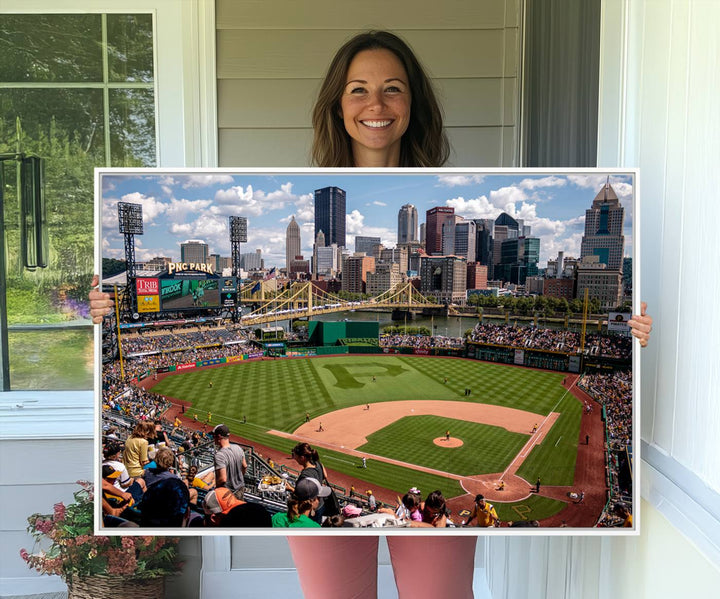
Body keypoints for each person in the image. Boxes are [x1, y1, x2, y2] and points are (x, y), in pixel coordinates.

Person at [87, 28, 654, 599]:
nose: (375, 104)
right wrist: (100, 313)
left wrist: (635, 336)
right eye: (358, 89)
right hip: (327, 514)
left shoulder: (472, 177)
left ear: (414, 105)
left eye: (393, 89)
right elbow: (92, 331)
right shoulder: (293, 182)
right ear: (337, 105)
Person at [212, 423, 247, 500]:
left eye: (213, 436)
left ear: (219, 437)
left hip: (228, 493)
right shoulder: (238, 448)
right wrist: (239, 478)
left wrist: (216, 487)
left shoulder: (219, 455)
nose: (213, 438)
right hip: (240, 488)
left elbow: (223, 479)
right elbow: (245, 466)